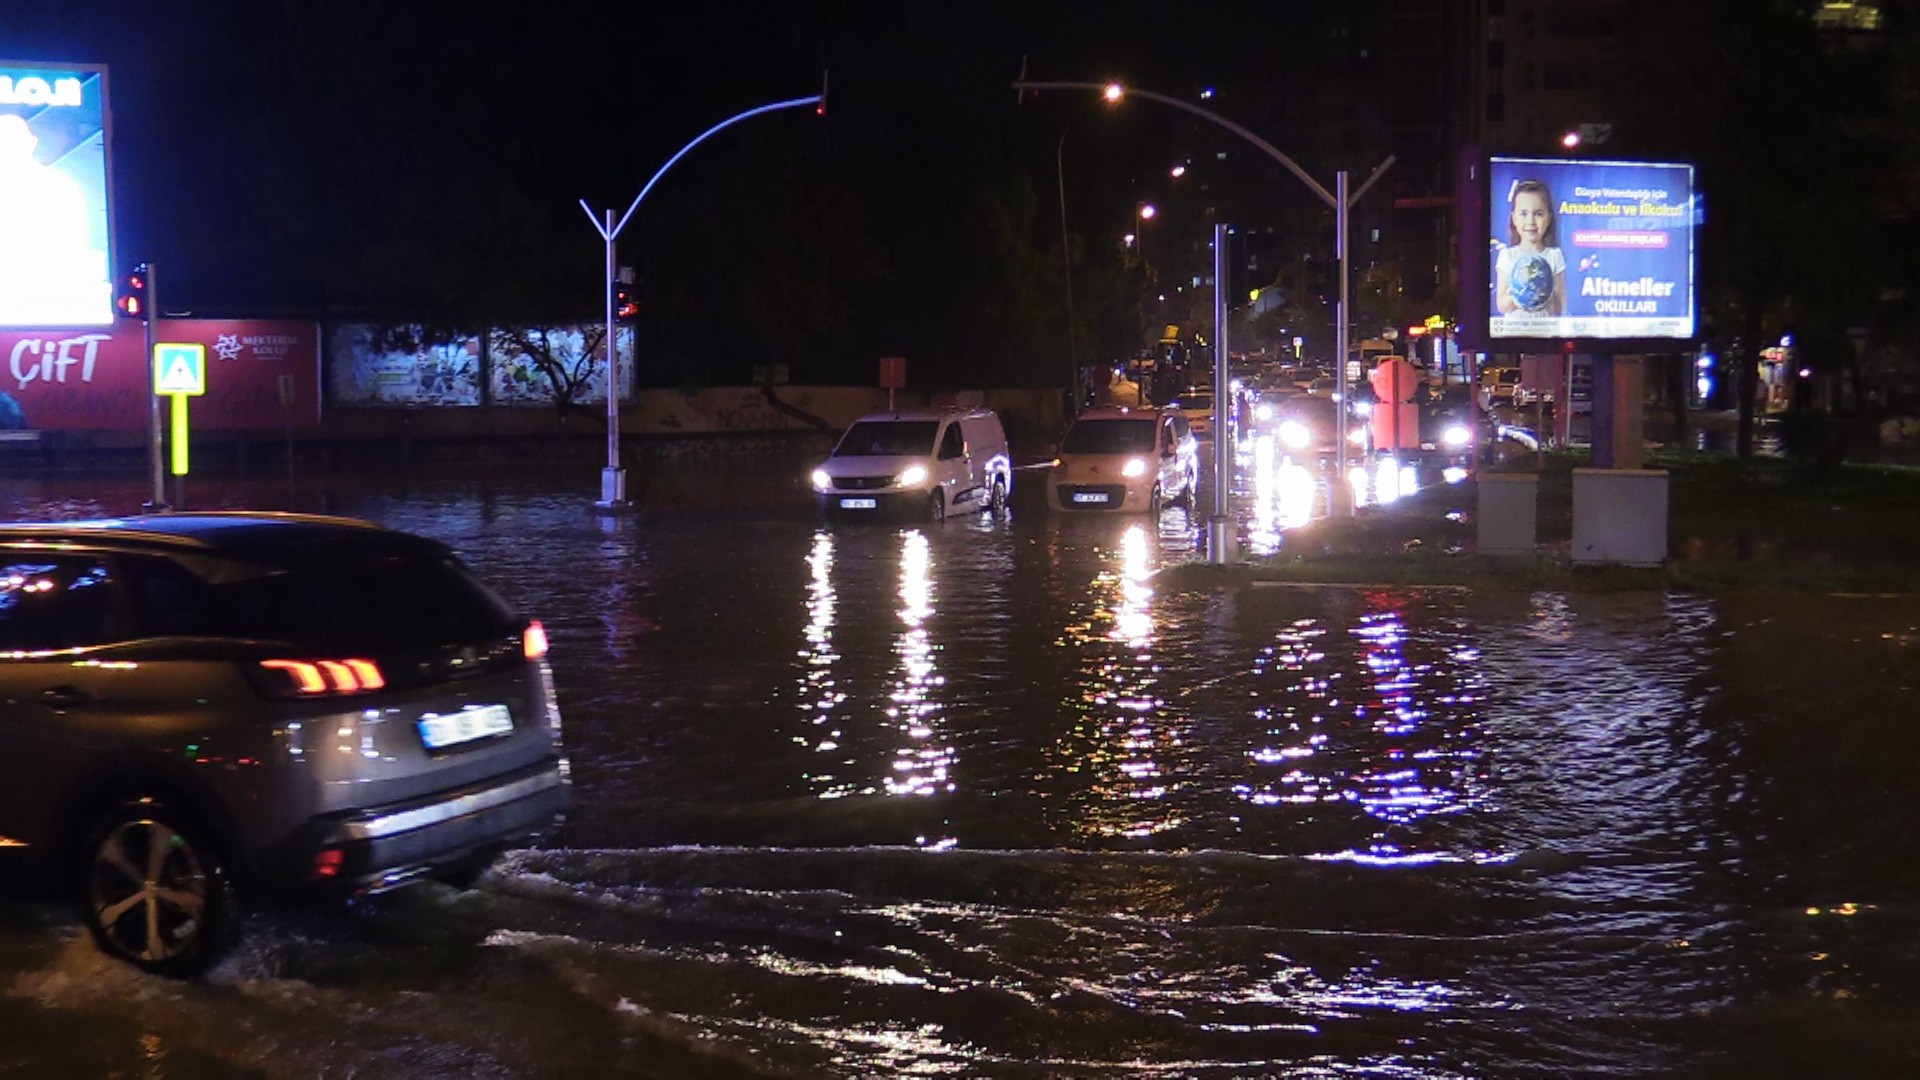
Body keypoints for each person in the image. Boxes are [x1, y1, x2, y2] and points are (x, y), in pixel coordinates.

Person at [1495, 178, 1565, 318]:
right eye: (1523, 214)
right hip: (1514, 335)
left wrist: (1544, 293)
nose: (1531, 221)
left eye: (1538, 214)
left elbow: (1561, 305)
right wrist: (1520, 297)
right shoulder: (1507, 256)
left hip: (1545, 334)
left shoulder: (1554, 255)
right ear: (1514, 219)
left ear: (1549, 218)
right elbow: (1501, 304)